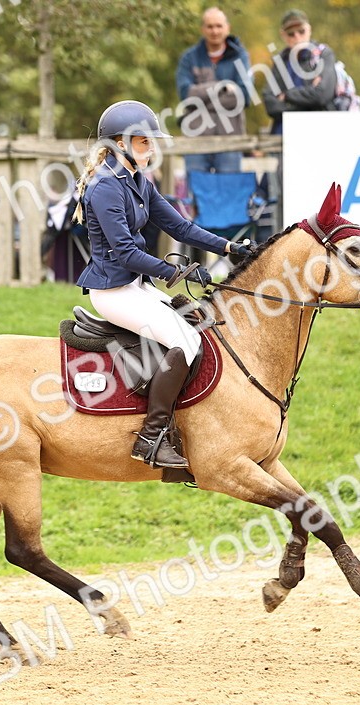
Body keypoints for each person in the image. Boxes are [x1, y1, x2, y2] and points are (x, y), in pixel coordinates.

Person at [73, 100, 253, 470]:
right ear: (120, 143)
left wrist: (230, 247)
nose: (151, 149)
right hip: (112, 292)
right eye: (143, 142)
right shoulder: (106, 187)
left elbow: (180, 227)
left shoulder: (138, 179)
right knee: (184, 342)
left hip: (134, 286)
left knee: (195, 324)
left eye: (151, 142)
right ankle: (150, 438)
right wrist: (180, 274)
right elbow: (124, 253)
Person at [175, 7, 252, 174]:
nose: (214, 31)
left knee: (229, 193)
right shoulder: (189, 58)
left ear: (227, 28)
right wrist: (222, 87)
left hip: (231, 139)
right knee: (197, 195)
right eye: (210, 26)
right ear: (203, 29)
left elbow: (244, 97)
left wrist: (200, 100)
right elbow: (185, 95)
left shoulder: (240, 56)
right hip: (196, 139)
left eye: (218, 26)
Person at [261, 9, 338, 134]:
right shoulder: (280, 62)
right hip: (283, 135)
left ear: (309, 30)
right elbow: (270, 104)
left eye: (301, 31)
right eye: (291, 33)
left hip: (317, 131)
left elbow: (322, 95)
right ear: (283, 35)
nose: (297, 36)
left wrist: (286, 96)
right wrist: (306, 101)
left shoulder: (323, 55)